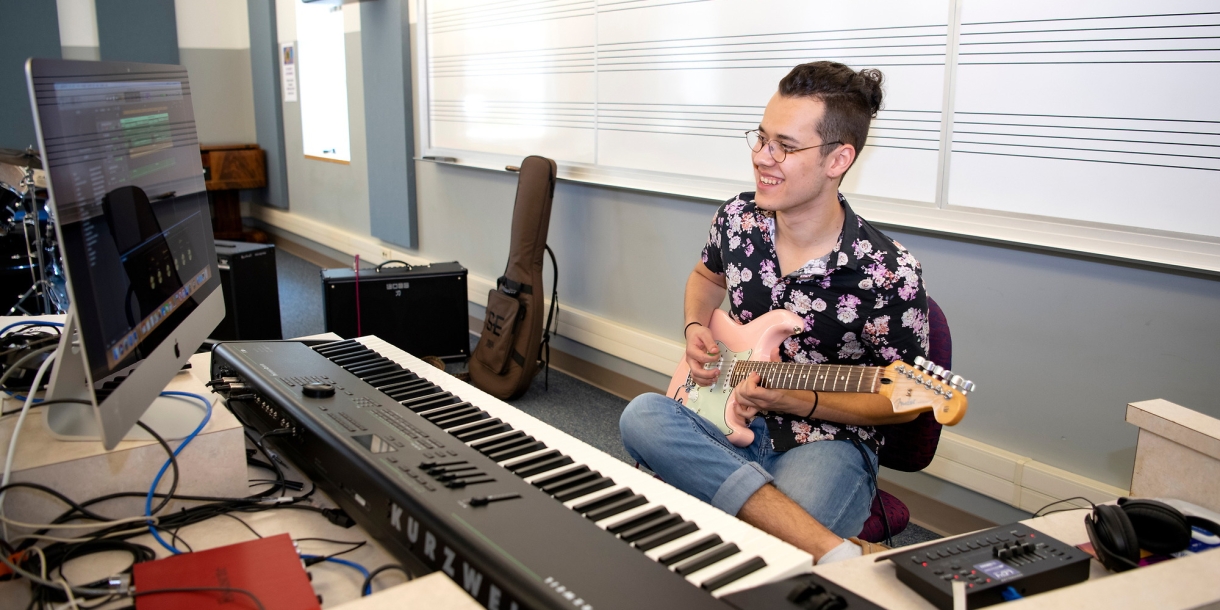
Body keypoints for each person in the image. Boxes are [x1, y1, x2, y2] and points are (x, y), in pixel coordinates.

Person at [619, 61, 929, 565]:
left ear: (838, 159)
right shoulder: (737, 219)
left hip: (827, 439)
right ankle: (820, 543)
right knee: (642, 415)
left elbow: (905, 399)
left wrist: (800, 399)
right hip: (720, 410)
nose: (762, 157)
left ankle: (755, 518)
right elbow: (705, 278)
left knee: (777, 527)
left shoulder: (888, 271)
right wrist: (697, 325)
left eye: (785, 146)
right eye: (761, 139)